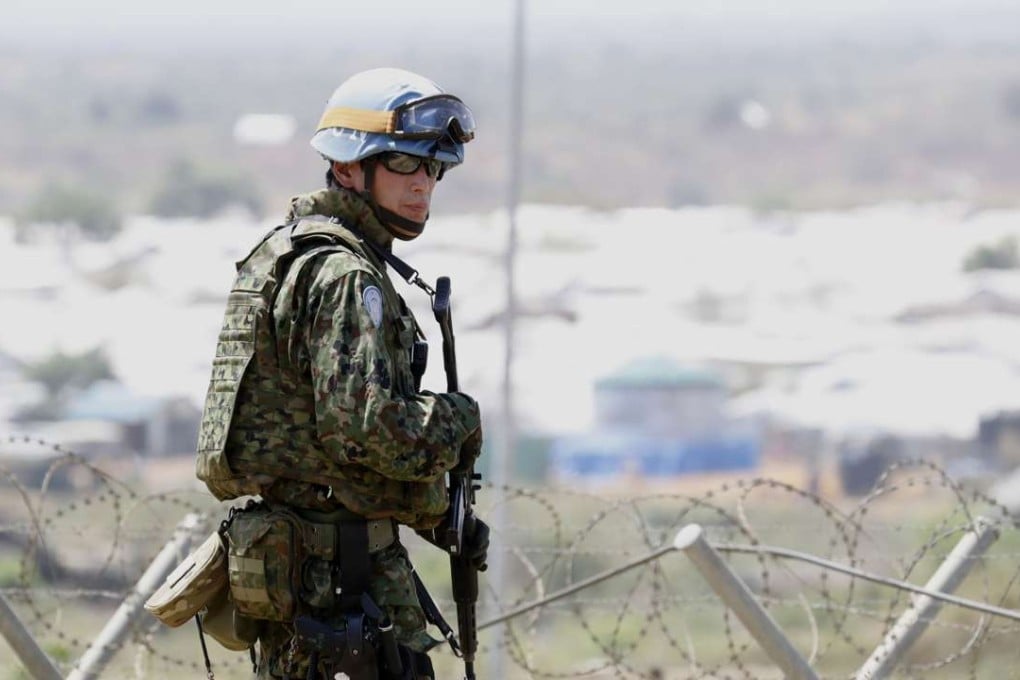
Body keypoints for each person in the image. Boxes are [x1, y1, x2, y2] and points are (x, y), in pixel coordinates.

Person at [194, 67, 489, 679]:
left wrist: (436, 512)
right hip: (343, 591)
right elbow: (369, 432)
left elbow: (316, 444)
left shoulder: (289, 253)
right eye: (405, 165)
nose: (423, 187)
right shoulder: (347, 276)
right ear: (351, 167)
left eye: (433, 170)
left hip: (304, 584)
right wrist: (458, 420)